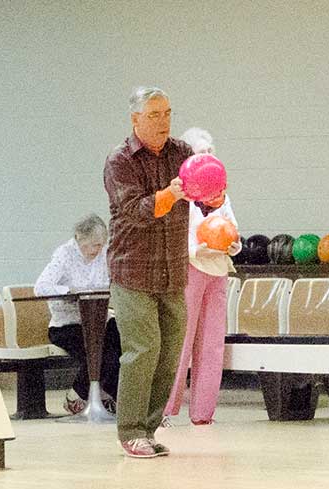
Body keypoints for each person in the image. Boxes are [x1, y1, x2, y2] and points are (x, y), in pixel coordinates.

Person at [102, 86, 195, 459]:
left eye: (168, 113)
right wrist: (170, 195)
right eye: (154, 115)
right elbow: (136, 210)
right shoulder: (119, 160)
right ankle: (130, 431)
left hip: (173, 271)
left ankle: (150, 428)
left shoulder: (182, 153)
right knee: (142, 350)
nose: (163, 122)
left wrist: (215, 195)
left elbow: (202, 194)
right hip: (133, 272)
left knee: (170, 352)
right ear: (135, 119)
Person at [165, 128, 240, 426]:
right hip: (190, 269)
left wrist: (235, 244)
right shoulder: (178, 193)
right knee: (181, 341)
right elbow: (175, 234)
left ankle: (203, 413)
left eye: (210, 150)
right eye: (201, 151)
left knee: (212, 343)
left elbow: (231, 227)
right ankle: (166, 409)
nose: (207, 156)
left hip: (218, 270)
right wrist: (197, 248)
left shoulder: (221, 193)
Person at [33, 214, 122, 416]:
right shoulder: (64, 255)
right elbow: (41, 287)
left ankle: (108, 396)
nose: (97, 250)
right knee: (102, 356)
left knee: (121, 338)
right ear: (78, 238)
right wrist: (68, 291)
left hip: (99, 319)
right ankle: (80, 396)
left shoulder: (104, 254)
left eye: (100, 245)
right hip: (67, 324)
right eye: (92, 245)